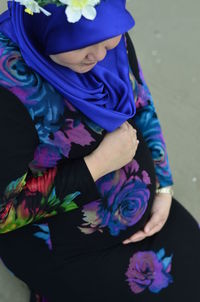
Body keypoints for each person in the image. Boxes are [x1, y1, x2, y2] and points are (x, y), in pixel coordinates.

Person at [0, 1, 199, 301]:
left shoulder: (104, 27)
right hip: (68, 246)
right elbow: (5, 213)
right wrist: (98, 164)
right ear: (49, 24)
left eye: (108, 42)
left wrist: (164, 187)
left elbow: (141, 102)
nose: (101, 56)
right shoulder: (8, 85)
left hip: (144, 214)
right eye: (86, 47)